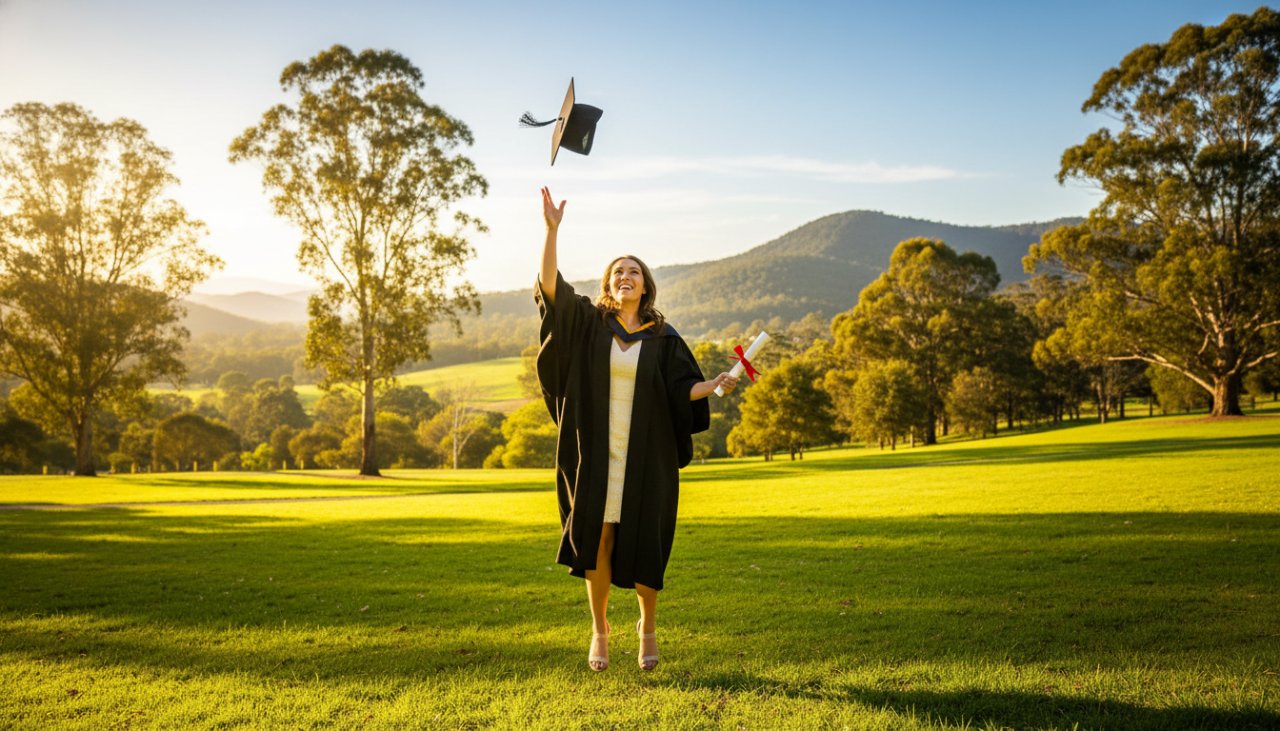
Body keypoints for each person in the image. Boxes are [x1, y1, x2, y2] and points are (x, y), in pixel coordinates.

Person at [535, 186, 738, 672]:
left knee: (646, 538)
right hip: (597, 455)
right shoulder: (589, 323)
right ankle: (599, 631)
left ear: (645, 286)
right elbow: (549, 291)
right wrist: (551, 231)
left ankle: (647, 626)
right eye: (618, 271)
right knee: (598, 539)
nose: (626, 276)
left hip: (645, 455)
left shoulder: (664, 339)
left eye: (634, 271)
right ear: (609, 284)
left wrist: (713, 384)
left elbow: (681, 388)